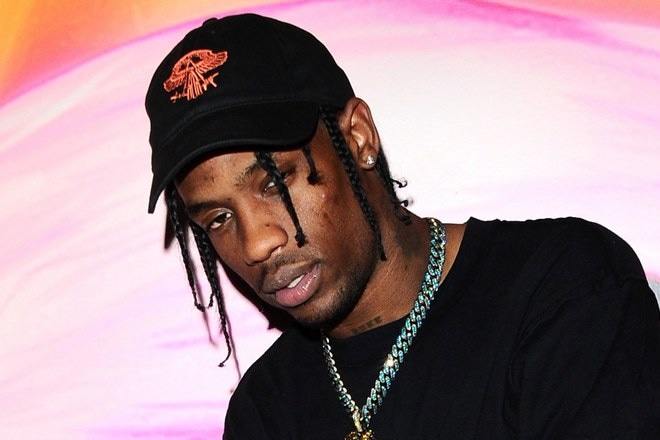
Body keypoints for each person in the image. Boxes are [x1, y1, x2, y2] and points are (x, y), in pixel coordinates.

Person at [145, 13, 660, 440]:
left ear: (358, 138)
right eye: (218, 219)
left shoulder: (562, 288)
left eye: (276, 182)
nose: (257, 243)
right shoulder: (265, 411)